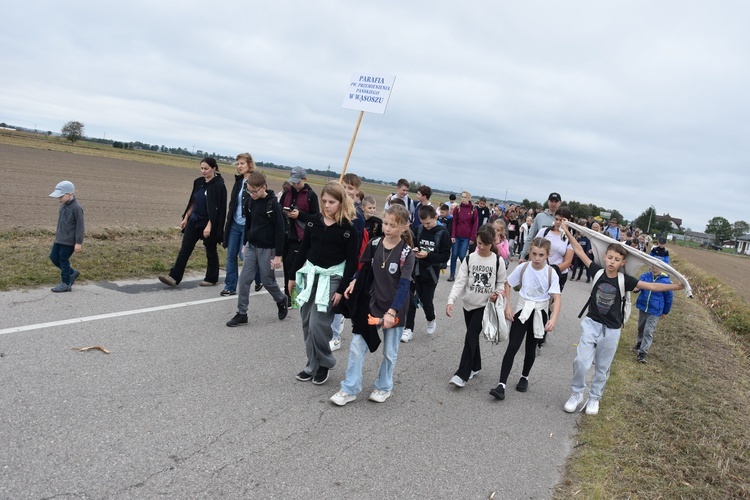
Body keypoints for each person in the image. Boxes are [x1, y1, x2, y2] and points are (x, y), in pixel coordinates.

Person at [560, 220, 684, 415]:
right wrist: (567, 231)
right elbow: (580, 251)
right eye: (609, 257)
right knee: (581, 362)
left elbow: (652, 287)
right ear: (605, 257)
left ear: (622, 262)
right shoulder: (597, 271)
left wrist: (676, 286)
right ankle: (576, 394)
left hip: (611, 330)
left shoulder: (625, 280)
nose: (611, 262)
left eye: (616, 259)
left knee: (602, 367)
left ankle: (594, 398)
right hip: (592, 324)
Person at [329, 205, 415, 406]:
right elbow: (364, 269)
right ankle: (349, 388)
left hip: (395, 309)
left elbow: (404, 286)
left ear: (404, 227)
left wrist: (392, 311)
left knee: (389, 352)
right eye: (385, 223)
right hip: (372, 305)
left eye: (393, 225)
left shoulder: (406, 253)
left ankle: (384, 387)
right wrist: (354, 280)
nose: (387, 228)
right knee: (357, 346)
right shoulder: (375, 243)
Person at [289, 182, 358, 385]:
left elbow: (351, 262)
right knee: (306, 322)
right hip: (311, 276)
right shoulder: (313, 222)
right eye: (324, 201)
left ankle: (325, 362)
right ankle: (312, 365)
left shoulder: (348, 229)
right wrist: (292, 276)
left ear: (341, 202)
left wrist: (342, 289)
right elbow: (303, 250)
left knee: (318, 324)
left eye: (332, 202)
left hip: (333, 278)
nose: (327, 205)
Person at [490, 237, 561, 400]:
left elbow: (557, 298)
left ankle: (524, 376)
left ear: (547, 255)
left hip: (540, 313)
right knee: (513, 345)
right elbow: (508, 283)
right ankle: (501, 385)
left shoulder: (551, 273)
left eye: (541, 255)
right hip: (522, 311)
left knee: (531, 347)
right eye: (534, 254)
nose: (537, 258)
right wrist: (508, 306)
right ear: (529, 252)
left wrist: (554, 319)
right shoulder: (523, 268)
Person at [446, 224, 507, 388]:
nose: (481, 247)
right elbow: (460, 282)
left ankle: (462, 375)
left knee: (470, 337)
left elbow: (501, 283)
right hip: (468, 305)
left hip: (485, 306)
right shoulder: (469, 258)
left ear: (493, 242)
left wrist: (497, 293)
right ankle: (475, 366)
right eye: (479, 243)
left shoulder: (497, 261)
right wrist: (451, 300)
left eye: (485, 244)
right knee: (472, 337)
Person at [226, 172, 289, 327]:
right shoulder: (249, 201)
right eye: (249, 191)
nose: (251, 194)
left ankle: (281, 299)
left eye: (254, 191)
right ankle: (242, 313)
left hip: (268, 249)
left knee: (268, 281)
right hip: (251, 247)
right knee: (244, 280)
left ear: (263, 188)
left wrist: (278, 256)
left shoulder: (273, 205)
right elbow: (249, 223)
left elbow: (280, 231)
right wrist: (245, 242)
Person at [159, 157, 227, 287]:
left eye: (206, 169)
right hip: (194, 220)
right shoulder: (198, 182)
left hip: (208, 224)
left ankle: (212, 278)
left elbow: (217, 209)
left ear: (214, 168)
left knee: (210, 251)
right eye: (201, 168)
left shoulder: (219, 186)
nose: (203, 171)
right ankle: (173, 277)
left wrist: (209, 226)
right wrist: (186, 218)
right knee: (185, 249)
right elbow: (193, 201)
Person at [401, 205, 451, 342]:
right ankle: (408, 329)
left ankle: (431, 318)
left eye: (428, 223)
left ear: (435, 217)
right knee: (411, 300)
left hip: (431, 273)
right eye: (423, 223)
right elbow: (413, 245)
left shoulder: (443, 233)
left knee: (426, 300)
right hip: (415, 270)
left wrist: (427, 255)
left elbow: (445, 256)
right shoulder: (418, 229)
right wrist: (415, 250)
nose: (426, 226)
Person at [330, 173, 368, 352]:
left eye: (351, 188)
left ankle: (335, 337)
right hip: (331, 260)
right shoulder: (334, 207)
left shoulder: (356, 215)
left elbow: (356, 243)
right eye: (344, 186)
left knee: (337, 301)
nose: (346, 190)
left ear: (357, 191)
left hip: (347, 262)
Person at [221, 153, 261, 296]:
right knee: (231, 255)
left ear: (250, 164)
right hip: (234, 223)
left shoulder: (257, 180)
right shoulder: (238, 181)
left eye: (242, 163)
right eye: (238, 164)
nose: (239, 166)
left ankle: (259, 276)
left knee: (244, 256)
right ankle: (230, 286)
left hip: (248, 225)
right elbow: (234, 203)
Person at [279, 167, 320, 306]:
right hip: (286, 234)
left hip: (300, 237)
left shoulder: (311, 195)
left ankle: (291, 297)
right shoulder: (287, 193)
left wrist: (299, 215)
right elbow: (280, 208)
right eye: (293, 182)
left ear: (304, 179)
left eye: (297, 182)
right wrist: (285, 213)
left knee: (293, 267)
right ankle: (287, 294)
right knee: (286, 266)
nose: (294, 184)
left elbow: (316, 217)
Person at [48, 180, 84, 292]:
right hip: (59, 239)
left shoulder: (77, 208)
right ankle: (71, 272)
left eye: (60, 196)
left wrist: (78, 242)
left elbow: (80, 226)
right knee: (54, 258)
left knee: (63, 261)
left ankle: (66, 283)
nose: (58, 199)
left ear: (69, 194)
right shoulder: (63, 206)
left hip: (69, 241)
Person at [633, 265, 674, 363]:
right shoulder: (645, 277)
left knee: (648, 331)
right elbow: (639, 286)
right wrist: (637, 289)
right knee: (641, 327)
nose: (654, 269)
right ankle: (639, 344)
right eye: (653, 267)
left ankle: (642, 354)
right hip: (643, 307)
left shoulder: (666, 282)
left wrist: (665, 311)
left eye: (657, 267)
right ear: (650, 267)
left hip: (655, 310)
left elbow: (669, 298)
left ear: (662, 268)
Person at [520, 192, 561, 261]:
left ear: (559, 203)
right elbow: (530, 237)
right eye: (551, 201)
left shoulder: (563, 219)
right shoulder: (539, 217)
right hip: (538, 256)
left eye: (556, 201)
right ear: (548, 202)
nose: (553, 204)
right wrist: (523, 255)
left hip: (555, 259)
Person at [448, 191, 479, 282]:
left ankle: (465, 273)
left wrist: (472, 237)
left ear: (469, 198)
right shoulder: (457, 208)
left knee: (462, 255)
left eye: (465, 197)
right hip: (457, 235)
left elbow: (475, 225)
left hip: (466, 237)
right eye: (462, 197)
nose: (463, 199)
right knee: (454, 255)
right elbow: (454, 222)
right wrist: (452, 235)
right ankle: (452, 274)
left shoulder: (473, 210)